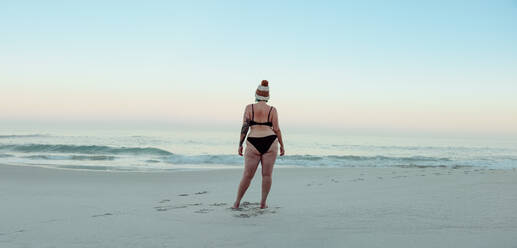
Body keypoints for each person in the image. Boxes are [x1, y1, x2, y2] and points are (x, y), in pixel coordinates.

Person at [233, 80, 285, 209]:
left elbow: (244, 127)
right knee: (267, 175)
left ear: (256, 94)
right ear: (267, 96)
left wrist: (240, 144)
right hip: (270, 140)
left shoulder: (249, 108)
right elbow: (277, 129)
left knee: (247, 175)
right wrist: (282, 145)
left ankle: (237, 203)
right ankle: (263, 203)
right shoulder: (272, 110)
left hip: (253, 141)